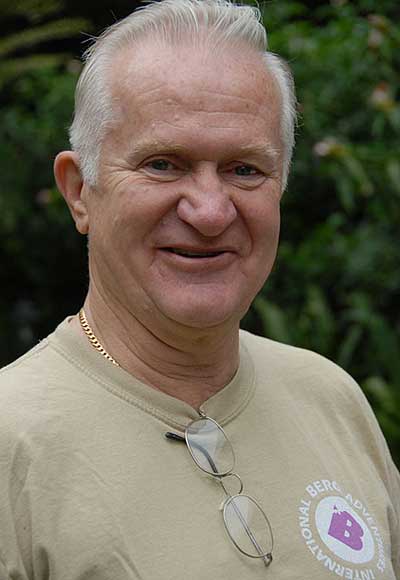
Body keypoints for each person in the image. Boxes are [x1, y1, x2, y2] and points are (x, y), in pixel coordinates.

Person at [0, 0, 399, 578]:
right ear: (80, 191)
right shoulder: (13, 440)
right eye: (164, 164)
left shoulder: (331, 398)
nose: (211, 211)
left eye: (245, 170)